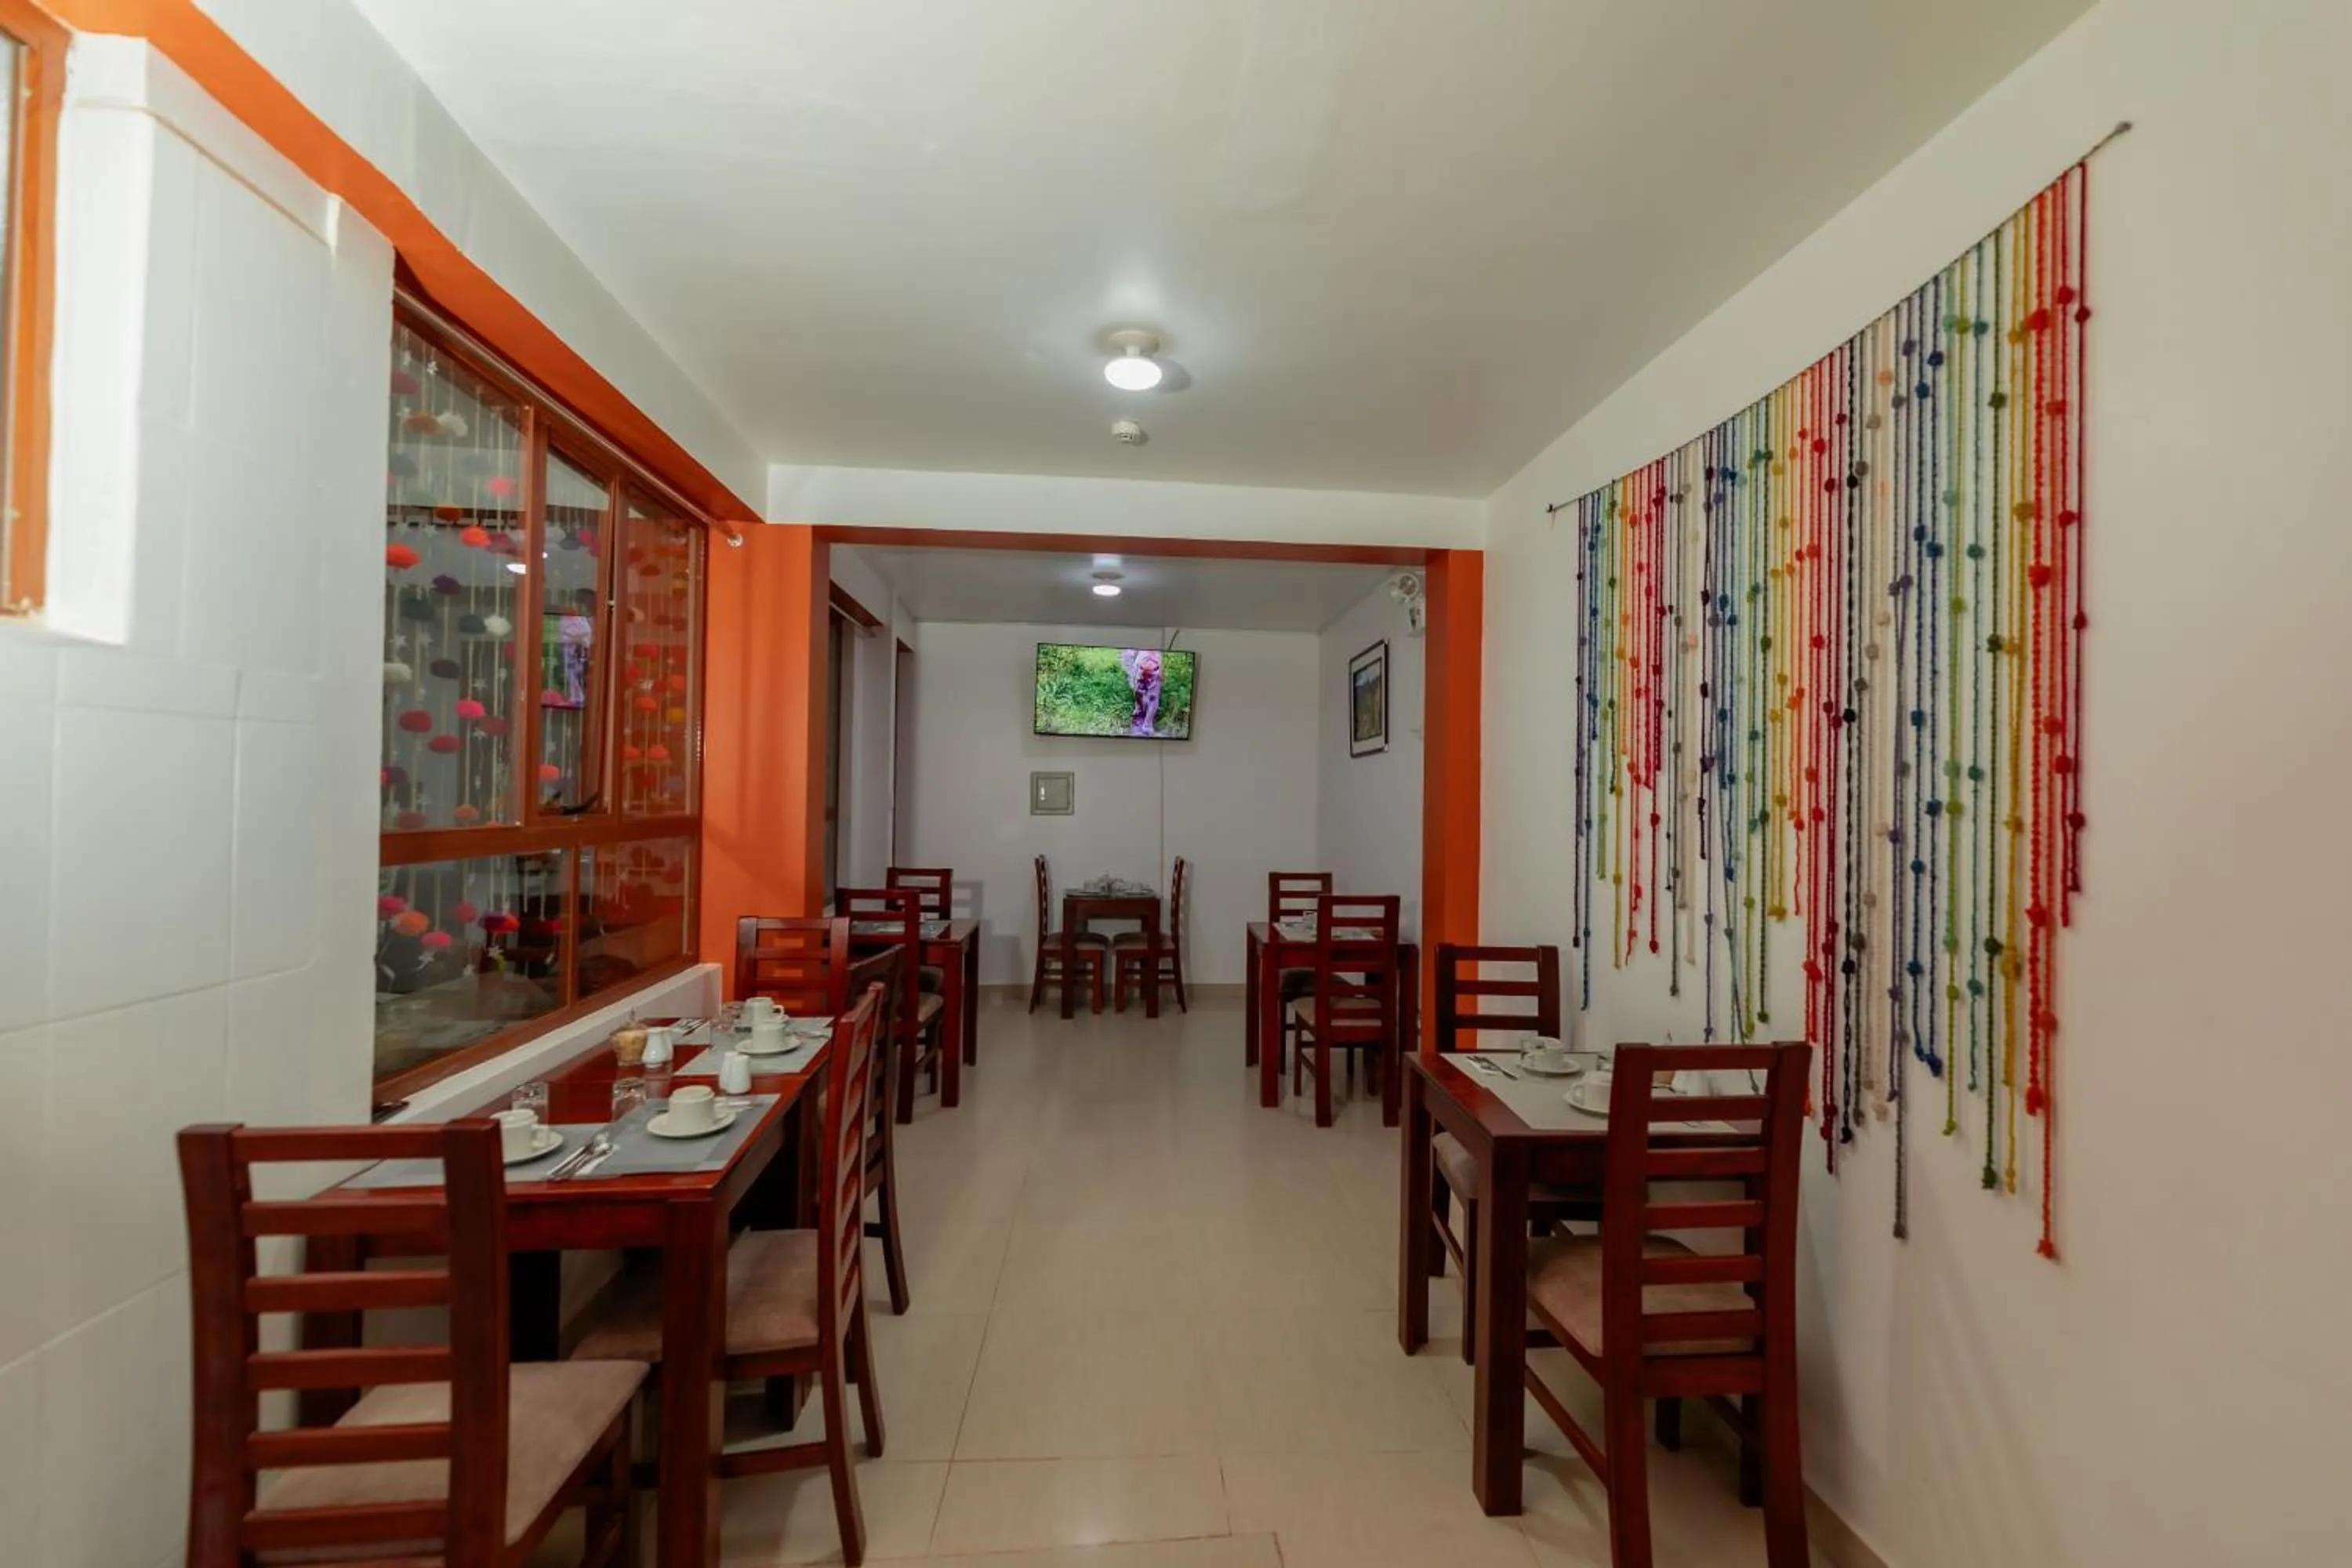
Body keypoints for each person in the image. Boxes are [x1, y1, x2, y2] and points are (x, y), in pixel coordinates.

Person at [1119, 647, 1163, 736]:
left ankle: (1148, 724)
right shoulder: (1138, 666)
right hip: (1140, 664)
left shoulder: (1157, 673)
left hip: (1152, 670)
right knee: (1138, 689)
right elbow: (1137, 688)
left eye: (1148, 680)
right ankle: (1139, 708)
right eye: (1142, 679)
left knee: (1153, 698)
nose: (1145, 682)